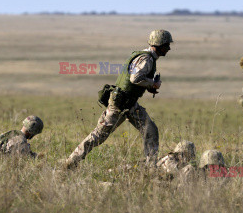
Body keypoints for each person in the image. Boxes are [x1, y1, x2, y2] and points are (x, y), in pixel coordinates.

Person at [64, 30, 173, 169]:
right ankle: (71, 162)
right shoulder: (147, 59)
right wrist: (152, 83)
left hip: (130, 104)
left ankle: (151, 168)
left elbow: (134, 80)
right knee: (99, 135)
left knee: (150, 130)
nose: (169, 48)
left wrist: (148, 87)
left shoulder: (145, 57)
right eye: (166, 45)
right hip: (120, 104)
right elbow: (135, 78)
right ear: (159, 45)